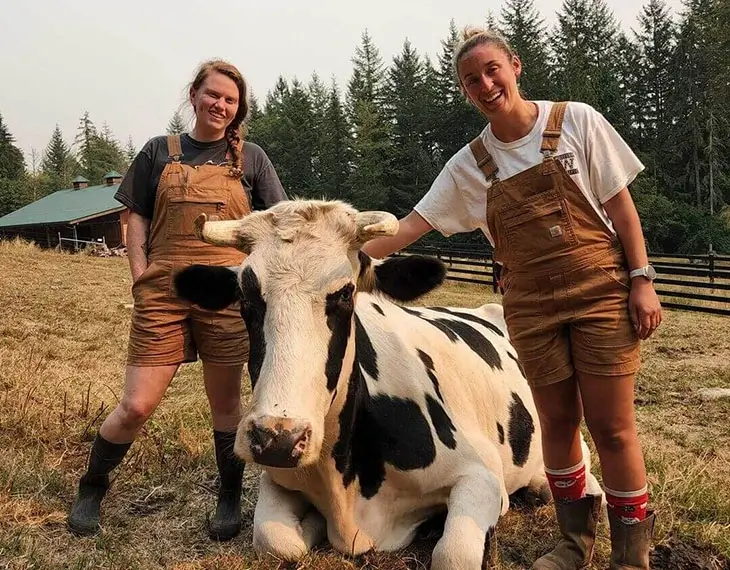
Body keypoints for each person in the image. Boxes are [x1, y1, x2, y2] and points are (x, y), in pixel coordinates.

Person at [362, 26, 662, 570]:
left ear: (514, 66)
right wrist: (342, 255)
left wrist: (641, 278)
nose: (485, 84)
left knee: (613, 427)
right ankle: (574, 543)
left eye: (491, 70)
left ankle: (629, 556)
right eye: (471, 80)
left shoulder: (577, 121)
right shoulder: (469, 165)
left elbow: (621, 208)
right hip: (528, 308)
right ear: (465, 91)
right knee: (557, 425)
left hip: (600, 293)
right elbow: (409, 227)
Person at [67, 60, 288, 541]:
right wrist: (140, 274)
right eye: (213, 95)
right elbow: (136, 220)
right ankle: (92, 486)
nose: (220, 106)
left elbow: (276, 225)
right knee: (136, 406)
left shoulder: (250, 158)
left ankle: (228, 499)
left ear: (238, 108)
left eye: (230, 100)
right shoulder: (158, 151)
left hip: (226, 294)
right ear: (193, 95)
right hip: (163, 290)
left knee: (227, 407)